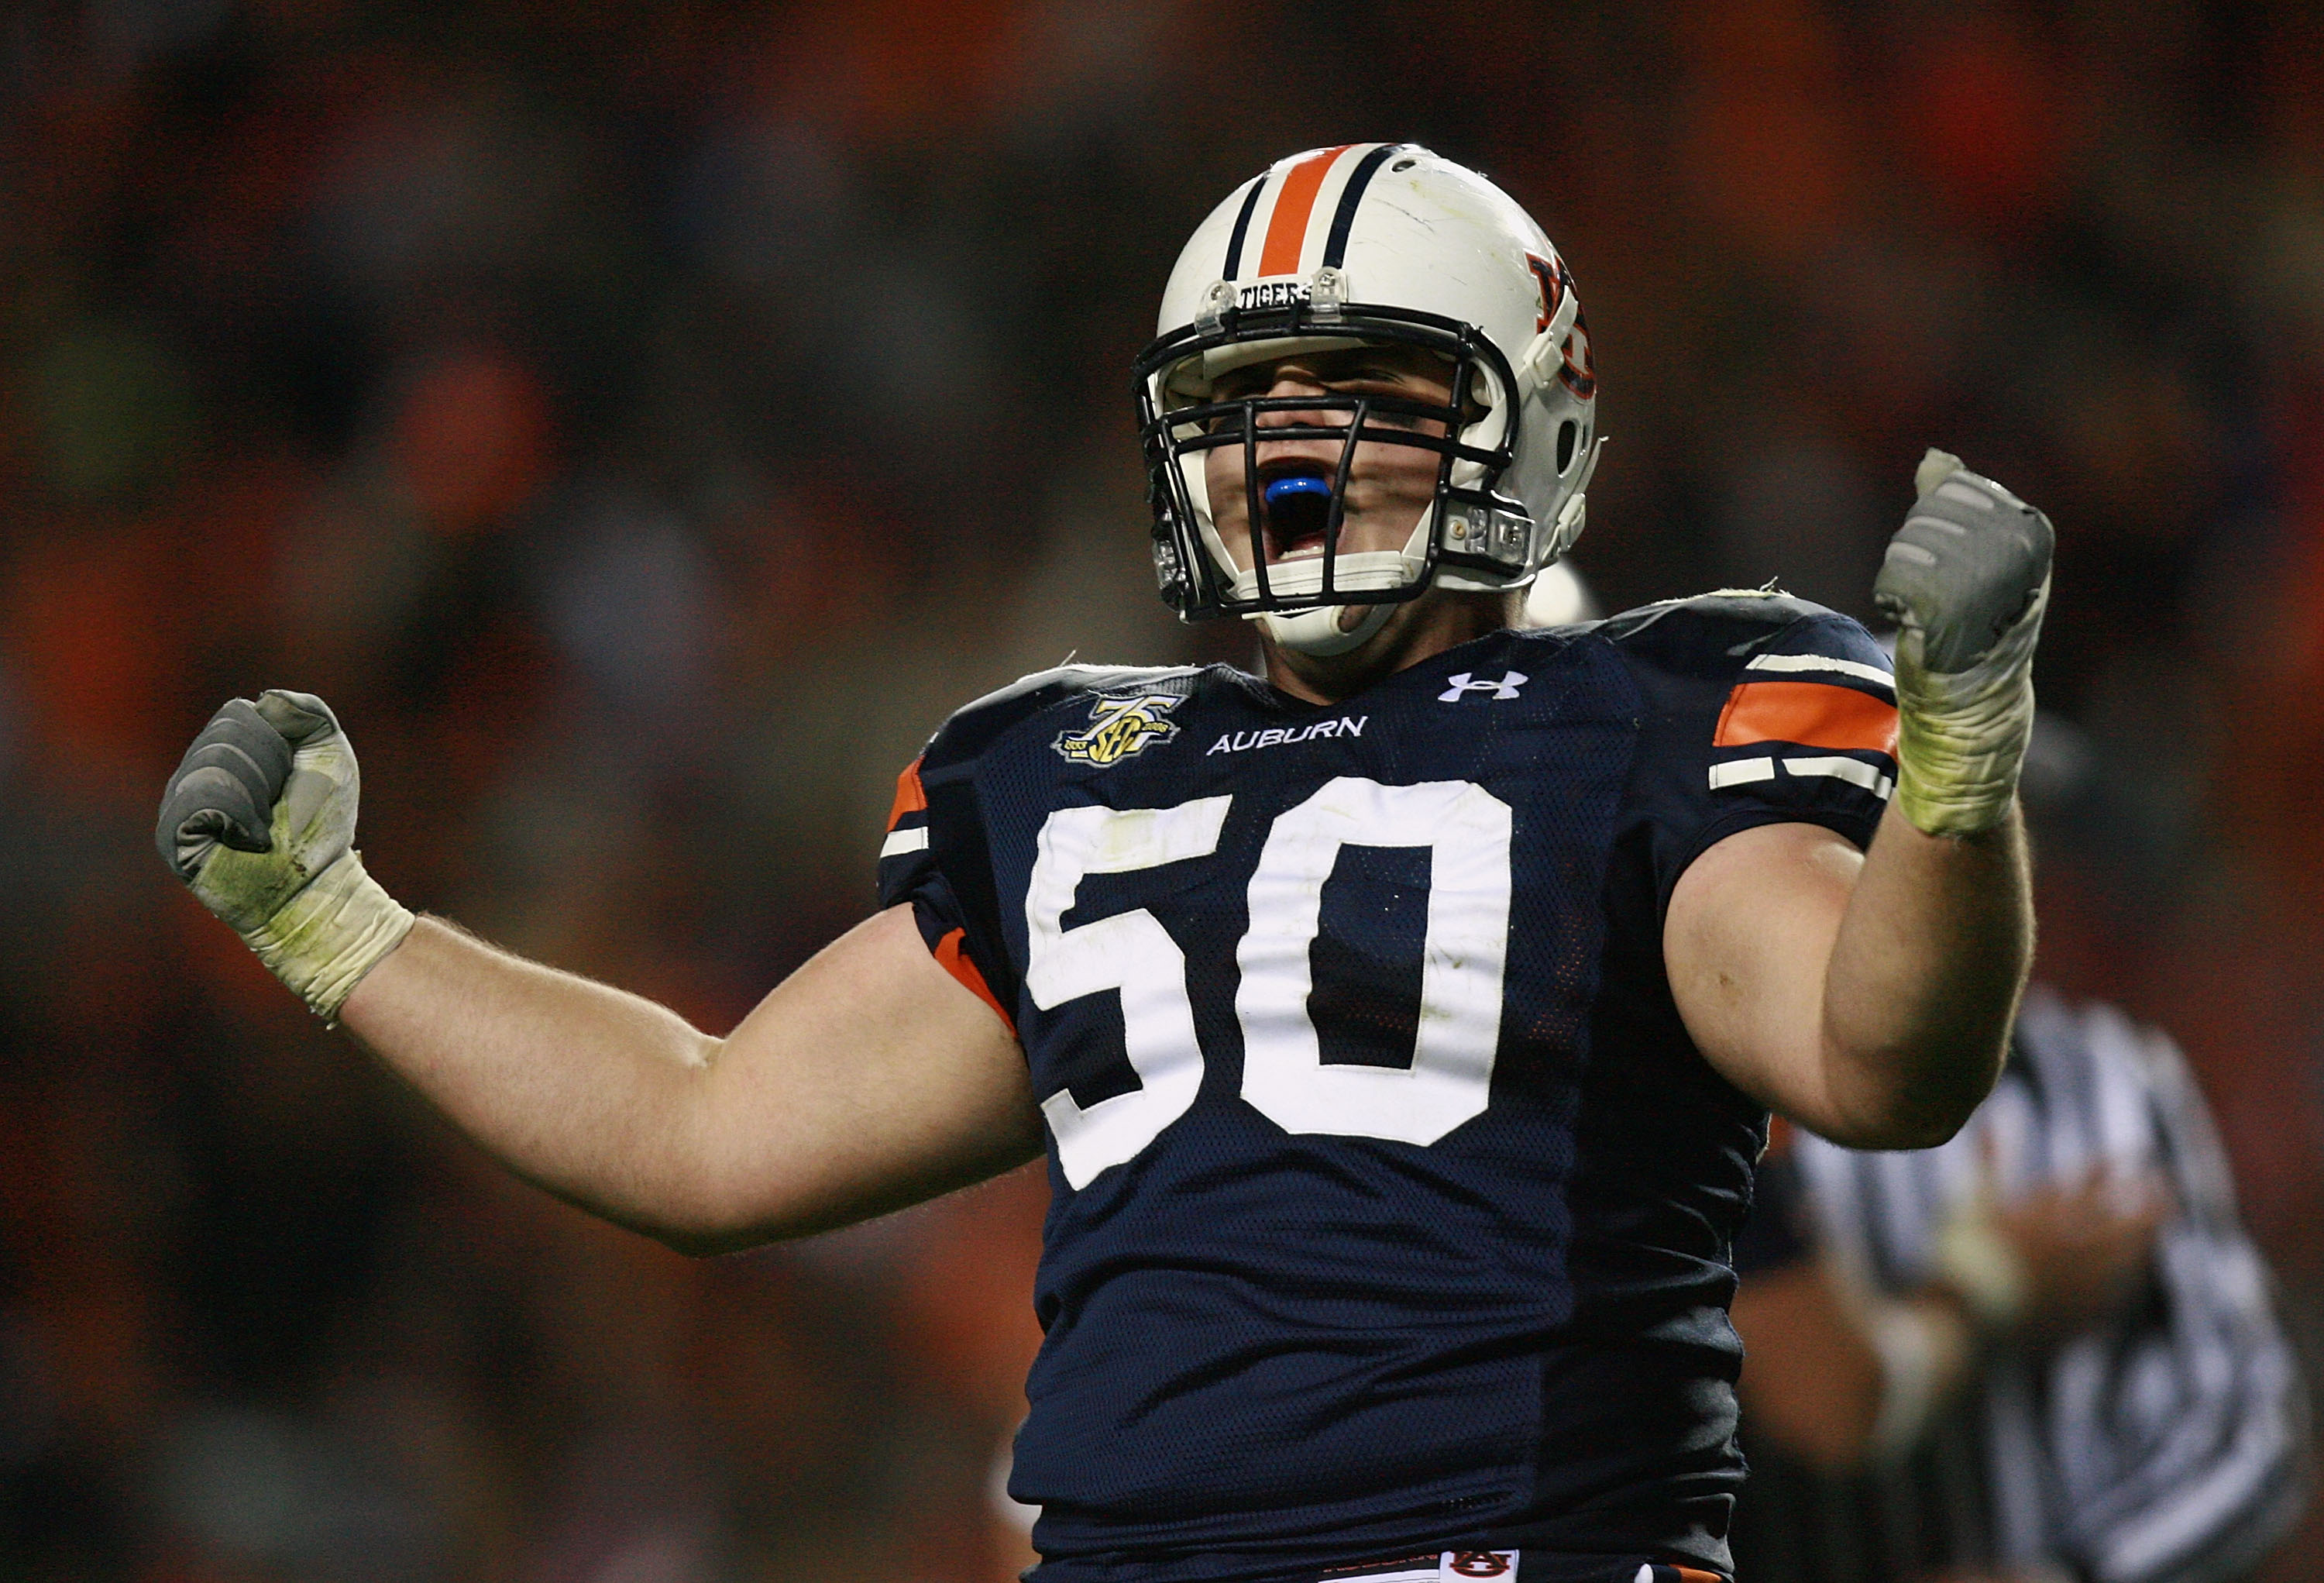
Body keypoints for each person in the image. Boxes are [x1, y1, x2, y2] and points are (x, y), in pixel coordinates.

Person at [156, 144, 2055, 1583]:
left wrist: (1955, 777)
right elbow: (705, 1124)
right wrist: (346, 925)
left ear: (1521, 415)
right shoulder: (1067, 765)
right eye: (1240, 408)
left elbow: (1870, 1049)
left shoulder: (1647, 710)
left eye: (1359, 393)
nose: (1285, 457)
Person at [1728, 990, 2308, 1583]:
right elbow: (1837, 1403)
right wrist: (1988, 1286)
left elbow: (2249, 1433)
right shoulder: (1707, 1067)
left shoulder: (2103, 1074)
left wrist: (2069, 1576)